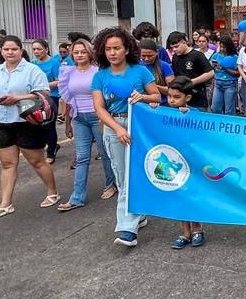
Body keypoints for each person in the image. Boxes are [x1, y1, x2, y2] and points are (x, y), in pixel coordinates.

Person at [91, 27, 160, 247]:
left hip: (139, 125)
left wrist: (143, 97)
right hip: (113, 127)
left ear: (127, 49)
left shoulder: (140, 71)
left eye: (117, 48)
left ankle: (127, 229)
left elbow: (157, 96)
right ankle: (137, 216)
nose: (112, 53)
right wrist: (117, 129)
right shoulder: (100, 76)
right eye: (108, 49)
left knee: (136, 173)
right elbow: (99, 108)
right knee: (122, 177)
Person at [0, 35, 61, 220]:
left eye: (14, 49)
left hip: (26, 122)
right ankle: (5, 204)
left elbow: (43, 94)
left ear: (20, 50)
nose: (10, 52)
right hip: (2, 123)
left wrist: (17, 98)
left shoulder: (32, 70)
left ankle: (52, 192)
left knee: (37, 161)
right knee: (7, 164)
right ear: (1, 51)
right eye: (6, 49)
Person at [57, 39, 116, 211]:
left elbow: (107, 96)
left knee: (105, 153)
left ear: (90, 53)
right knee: (81, 157)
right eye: (76, 52)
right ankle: (77, 197)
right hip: (78, 118)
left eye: (83, 52)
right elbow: (67, 99)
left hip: (98, 117)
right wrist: (67, 123)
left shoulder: (98, 72)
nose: (79, 55)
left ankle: (110, 184)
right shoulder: (68, 72)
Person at [152, 76, 206, 249]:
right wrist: (152, 110)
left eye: (176, 97)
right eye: (169, 96)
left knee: (192, 194)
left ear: (187, 97)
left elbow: (204, 134)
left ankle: (197, 229)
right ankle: (184, 232)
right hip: (173, 162)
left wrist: (188, 115)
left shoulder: (195, 113)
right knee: (179, 195)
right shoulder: (164, 112)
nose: (171, 100)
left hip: (192, 163)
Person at [31, 39, 61, 163]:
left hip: (51, 97)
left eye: (39, 49)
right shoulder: (32, 63)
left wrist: (43, 86)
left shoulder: (54, 62)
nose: (36, 52)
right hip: (36, 97)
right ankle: (50, 144)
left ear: (46, 49)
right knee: (37, 125)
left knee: (49, 125)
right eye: (34, 49)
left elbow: (58, 81)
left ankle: (51, 151)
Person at [167, 32, 214, 110]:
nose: (174, 50)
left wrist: (192, 82)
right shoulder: (175, 57)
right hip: (180, 99)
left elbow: (210, 73)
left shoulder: (197, 55)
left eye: (176, 46)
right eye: (172, 48)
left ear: (184, 42)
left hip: (197, 99)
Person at [210, 36, 240, 115]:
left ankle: (229, 122)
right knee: (215, 108)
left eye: (224, 47)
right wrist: (213, 67)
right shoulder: (215, 55)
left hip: (230, 84)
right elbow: (210, 69)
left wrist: (224, 69)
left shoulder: (235, 57)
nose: (222, 49)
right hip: (217, 83)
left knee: (229, 110)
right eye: (221, 47)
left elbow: (238, 73)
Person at [139, 39, 175, 105]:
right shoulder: (136, 66)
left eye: (150, 56)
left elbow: (173, 90)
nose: (146, 59)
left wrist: (151, 86)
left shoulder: (164, 66)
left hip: (162, 105)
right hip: (142, 105)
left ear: (157, 52)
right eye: (143, 56)